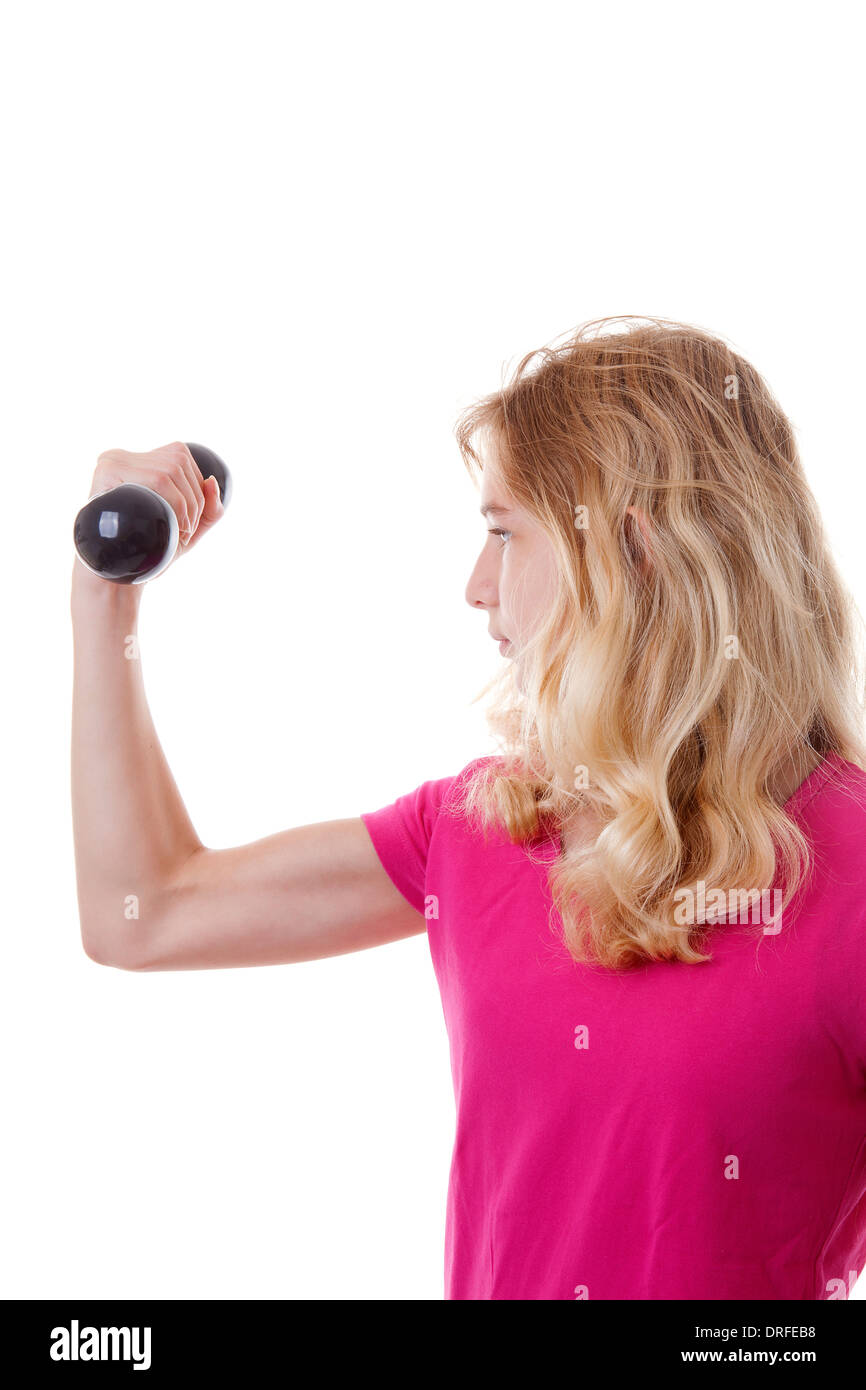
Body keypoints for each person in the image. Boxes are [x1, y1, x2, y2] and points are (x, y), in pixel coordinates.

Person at [71, 315, 866, 1301]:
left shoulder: (851, 869)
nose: (474, 585)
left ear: (628, 549)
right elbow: (142, 913)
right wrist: (106, 592)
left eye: (501, 532)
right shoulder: (481, 828)